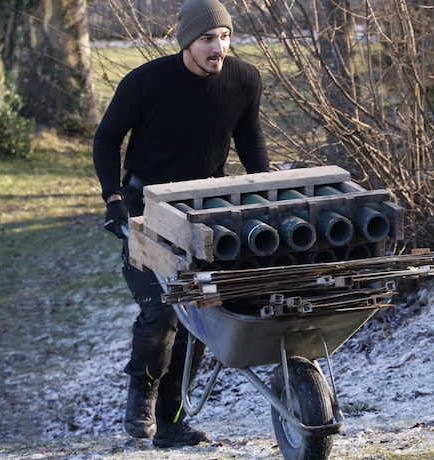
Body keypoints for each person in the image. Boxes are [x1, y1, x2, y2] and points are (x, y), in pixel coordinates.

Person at [92, 0, 270, 449]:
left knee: (200, 313)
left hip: (203, 209)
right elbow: (107, 137)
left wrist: (266, 192)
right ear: (187, 42)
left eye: (225, 37)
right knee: (162, 311)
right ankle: (142, 391)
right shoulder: (146, 83)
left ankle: (171, 424)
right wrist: (114, 199)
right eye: (209, 38)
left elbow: (248, 135)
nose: (219, 47)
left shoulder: (244, 80)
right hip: (145, 207)